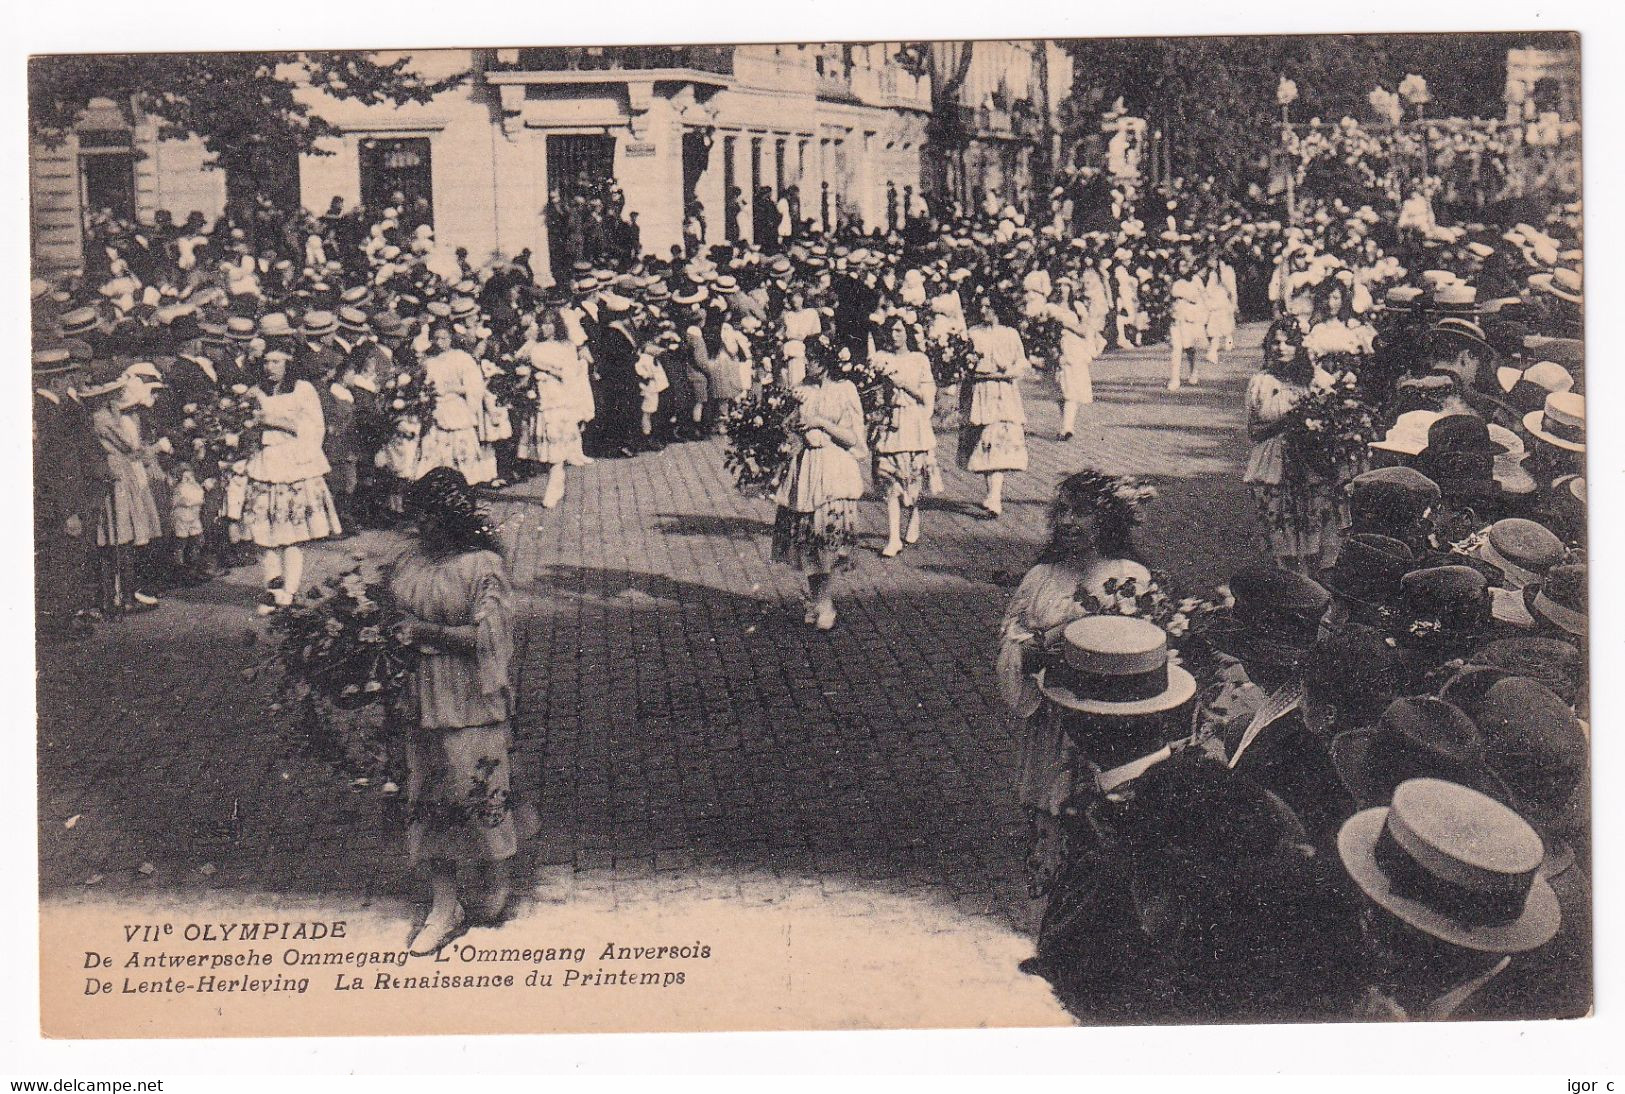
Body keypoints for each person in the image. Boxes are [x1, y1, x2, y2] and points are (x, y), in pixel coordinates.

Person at [389, 468, 534, 955]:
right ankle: (443, 900)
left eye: (429, 517)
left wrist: (428, 634)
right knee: (427, 794)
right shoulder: (410, 562)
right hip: (419, 694)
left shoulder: (482, 567)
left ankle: (496, 874)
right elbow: (390, 612)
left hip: (467, 694)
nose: (421, 527)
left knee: (476, 789)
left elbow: (491, 639)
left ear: (450, 518)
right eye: (418, 517)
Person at [996, 470, 1156, 894]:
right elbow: (1012, 636)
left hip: (1100, 718)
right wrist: (1027, 652)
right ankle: (1047, 875)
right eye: (1062, 511)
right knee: (1047, 800)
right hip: (1049, 714)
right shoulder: (1042, 577)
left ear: (1109, 520)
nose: (1068, 521)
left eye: (1082, 512)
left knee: (1092, 806)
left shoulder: (1128, 577)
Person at [771, 339, 867, 631]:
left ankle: (824, 601)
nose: (808, 363)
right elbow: (786, 428)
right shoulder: (801, 390)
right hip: (807, 467)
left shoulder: (844, 390)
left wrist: (821, 423)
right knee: (808, 538)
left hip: (833, 466)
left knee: (827, 537)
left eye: (813, 358)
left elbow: (852, 437)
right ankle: (817, 598)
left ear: (826, 361)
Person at [1244, 319, 1340, 575]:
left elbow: (1333, 417)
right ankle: (1289, 585)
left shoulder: (1316, 379)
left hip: (1310, 460)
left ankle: (1315, 589)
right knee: (1280, 532)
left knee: (1313, 527)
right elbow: (1254, 431)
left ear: (1299, 345)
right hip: (1272, 461)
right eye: (1275, 342)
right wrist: (1288, 422)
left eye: (1288, 342)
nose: (1281, 348)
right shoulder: (1261, 382)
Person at [870, 316, 939, 558]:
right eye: (890, 330)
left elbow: (926, 396)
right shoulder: (881, 358)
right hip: (891, 422)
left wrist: (904, 384)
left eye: (899, 330)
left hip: (913, 422)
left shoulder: (919, 359)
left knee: (913, 478)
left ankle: (915, 513)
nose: (894, 335)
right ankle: (893, 537)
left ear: (907, 333)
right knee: (889, 478)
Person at [959, 295, 1031, 518]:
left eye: (988, 307)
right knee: (984, 442)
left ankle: (995, 497)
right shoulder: (973, 333)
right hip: (981, 392)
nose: (984, 311)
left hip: (1003, 393)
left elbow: (1022, 361)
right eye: (981, 306)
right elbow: (964, 361)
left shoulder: (1009, 334)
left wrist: (1008, 371)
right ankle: (991, 493)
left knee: (998, 440)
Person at [516, 308, 584, 509]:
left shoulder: (566, 346)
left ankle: (554, 484)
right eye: (543, 323)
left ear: (557, 325)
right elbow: (519, 359)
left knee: (556, 441)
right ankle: (557, 476)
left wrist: (548, 370)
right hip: (540, 397)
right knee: (545, 443)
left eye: (550, 323)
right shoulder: (534, 346)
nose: (547, 327)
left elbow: (570, 373)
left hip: (558, 397)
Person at [418, 323, 496, 486]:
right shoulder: (430, 361)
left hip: (457, 408)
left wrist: (451, 389)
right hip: (437, 410)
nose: (440, 342)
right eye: (436, 339)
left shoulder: (462, 358)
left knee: (461, 451)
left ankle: (465, 486)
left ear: (451, 339)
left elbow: (474, 386)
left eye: (444, 338)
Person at [1049, 274, 1104, 438]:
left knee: (1071, 389)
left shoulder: (1078, 307)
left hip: (1074, 349)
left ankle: (1067, 428)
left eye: (1066, 286)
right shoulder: (1050, 307)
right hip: (1057, 350)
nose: (1062, 289)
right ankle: (1066, 424)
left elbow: (1085, 329)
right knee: (1061, 389)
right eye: (1059, 285)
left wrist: (1067, 325)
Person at [1168, 253, 1207, 390]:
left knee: (1190, 347)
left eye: (1185, 266)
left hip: (1190, 318)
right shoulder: (1174, 281)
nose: (1182, 269)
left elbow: (1200, 296)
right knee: (1176, 348)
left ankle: (1193, 371)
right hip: (1177, 318)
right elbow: (1170, 297)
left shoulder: (1195, 280)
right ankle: (1174, 379)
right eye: (1180, 266)